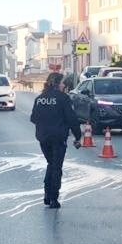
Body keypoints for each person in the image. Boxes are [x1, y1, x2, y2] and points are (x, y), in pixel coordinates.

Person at [30, 72, 82, 209]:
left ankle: (47, 194)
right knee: (56, 167)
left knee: (51, 163)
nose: (64, 85)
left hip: (43, 137)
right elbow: (72, 119)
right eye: (63, 82)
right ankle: (53, 198)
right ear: (58, 83)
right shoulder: (63, 98)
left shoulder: (40, 98)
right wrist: (78, 136)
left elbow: (33, 118)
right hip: (58, 137)